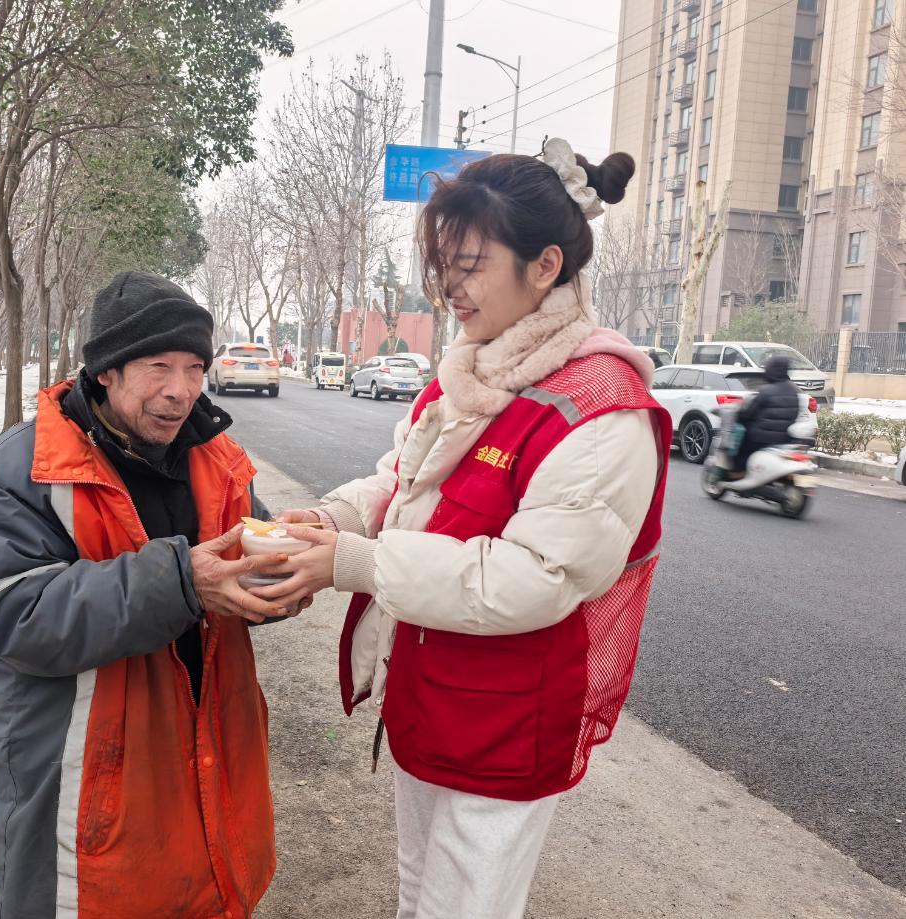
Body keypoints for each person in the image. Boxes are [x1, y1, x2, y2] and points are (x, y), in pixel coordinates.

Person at [258, 139, 672, 919]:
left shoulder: (600, 408)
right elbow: (400, 481)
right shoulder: (468, 374)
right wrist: (329, 519)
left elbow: (532, 579)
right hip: (431, 697)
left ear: (545, 266)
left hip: (506, 728)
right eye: (444, 264)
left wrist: (355, 562)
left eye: (471, 264)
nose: (450, 286)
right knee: (419, 895)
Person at [0, 271, 299, 919]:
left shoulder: (216, 458)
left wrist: (282, 580)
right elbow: (19, 617)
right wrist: (183, 581)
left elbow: (245, 558)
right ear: (106, 370)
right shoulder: (16, 473)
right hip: (84, 782)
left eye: (195, 368)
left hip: (208, 760)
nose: (181, 390)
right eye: (158, 366)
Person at [731, 355, 801, 474]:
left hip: (761, 439)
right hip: (785, 439)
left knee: (741, 447)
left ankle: (738, 472)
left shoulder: (765, 390)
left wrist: (738, 415)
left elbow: (749, 413)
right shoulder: (794, 390)